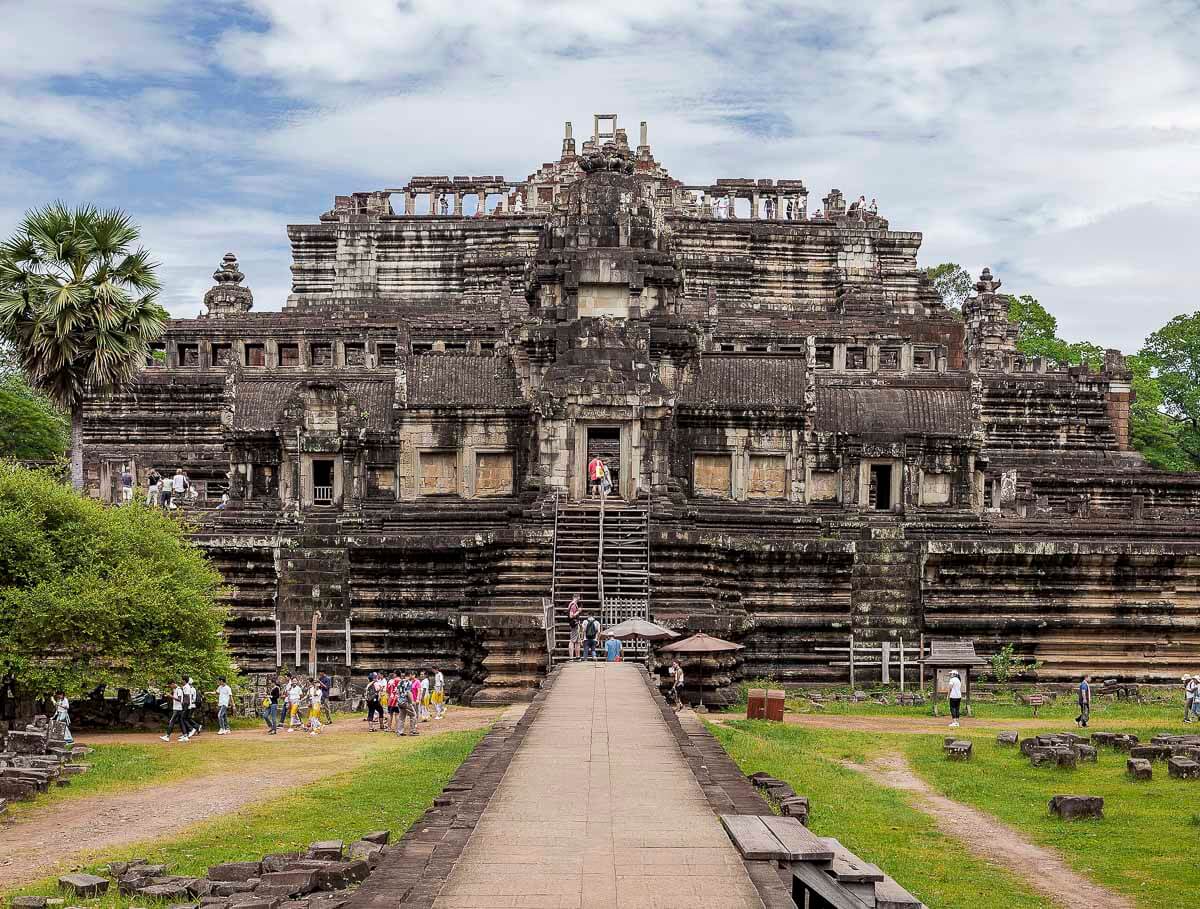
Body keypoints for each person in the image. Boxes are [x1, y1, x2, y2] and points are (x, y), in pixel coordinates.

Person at [567, 594, 582, 660]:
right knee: (572, 641)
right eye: (579, 597)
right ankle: (571, 657)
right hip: (574, 624)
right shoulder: (573, 605)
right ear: (577, 597)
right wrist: (578, 611)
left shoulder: (572, 604)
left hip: (576, 624)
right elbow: (571, 616)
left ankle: (577, 657)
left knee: (577, 641)